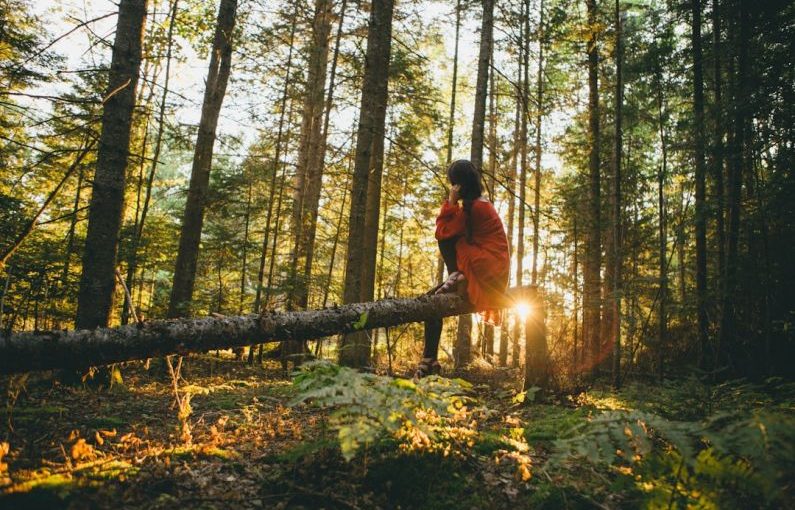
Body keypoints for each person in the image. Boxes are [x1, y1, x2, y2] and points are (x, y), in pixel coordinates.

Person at [415, 159, 510, 378]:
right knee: (432, 300)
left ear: (459, 184)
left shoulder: (475, 208)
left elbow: (442, 231)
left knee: (433, 299)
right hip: (488, 269)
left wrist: (450, 201)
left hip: (485, 270)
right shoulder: (478, 204)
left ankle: (429, 359)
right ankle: (429, 360)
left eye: (453, 183)